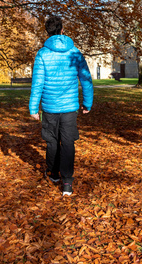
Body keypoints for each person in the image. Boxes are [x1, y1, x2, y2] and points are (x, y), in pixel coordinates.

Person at [29, 16, 94, 196]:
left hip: (50, 108)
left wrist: (34, 108)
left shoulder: (42, 54)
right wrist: (87, 103)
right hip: (69, 108)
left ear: (47, 32)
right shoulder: (74, 52)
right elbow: (86, 80)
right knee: (67, 142)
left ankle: (54, 173)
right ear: (62, 30)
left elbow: (37, 83)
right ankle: (67, 183)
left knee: (52, 142)